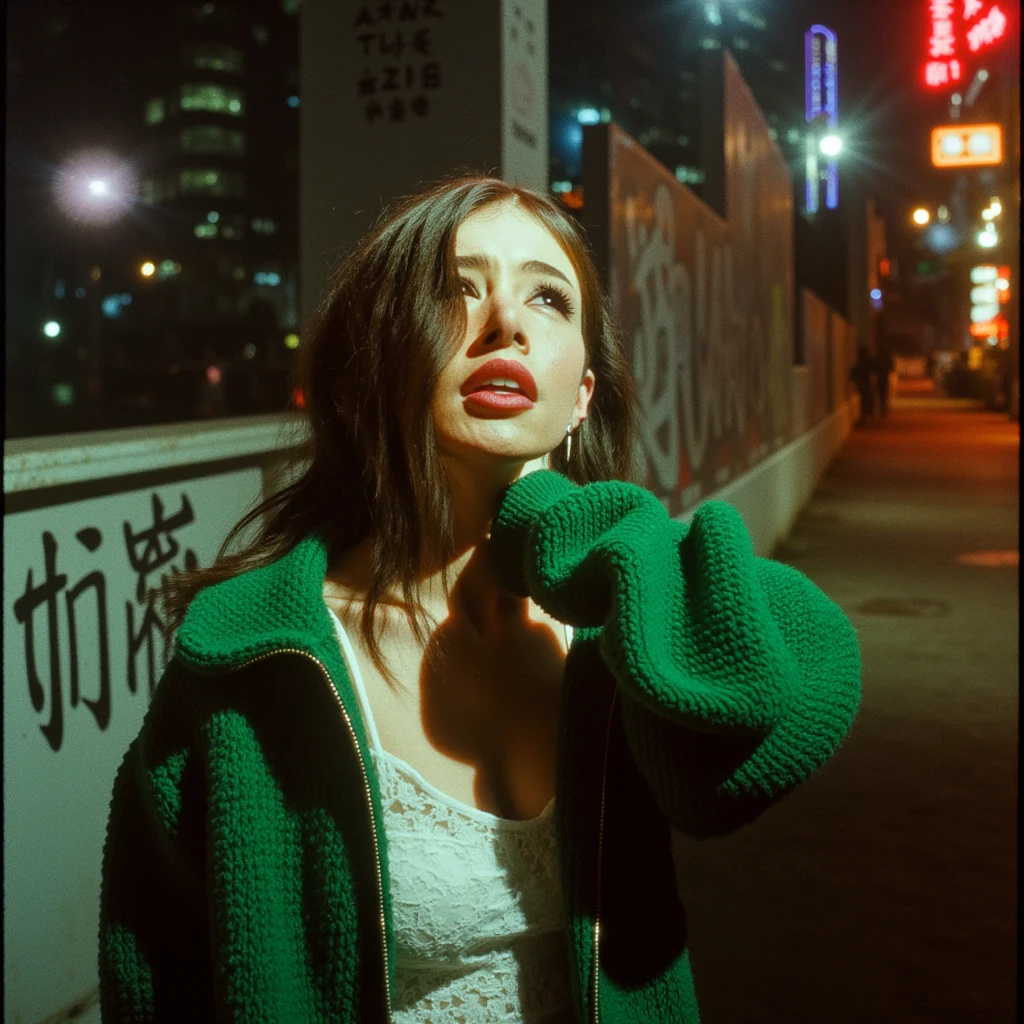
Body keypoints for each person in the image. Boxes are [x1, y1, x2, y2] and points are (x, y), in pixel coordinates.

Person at [99, 176, 862, 1023]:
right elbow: (152, 978)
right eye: (457, 290)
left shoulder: (620, 624)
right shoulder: (256, 667)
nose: (507, 324)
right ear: (374, 360)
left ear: (581, 396)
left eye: (548, 296)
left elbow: (763, 733)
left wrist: (578, 527)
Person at [850, 343, 876, 423]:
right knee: (868, 401)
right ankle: (868, 416)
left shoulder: (860, 363)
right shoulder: (868, 362)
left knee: (864, 402)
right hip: (866, 384)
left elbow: (853, 374)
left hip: (862, 384)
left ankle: (865, 417)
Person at [875, 340, 895, 418]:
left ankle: (882, 408)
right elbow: (891, 368)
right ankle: (883, 407)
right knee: (883, 393)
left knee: (881, 393)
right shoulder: (886, 359)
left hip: (880, 378)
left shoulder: (878, 359)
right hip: (884, 378)